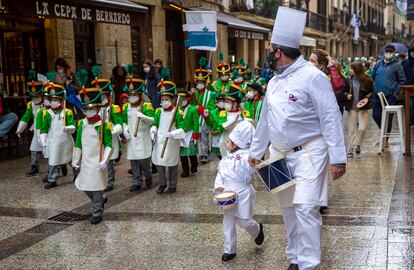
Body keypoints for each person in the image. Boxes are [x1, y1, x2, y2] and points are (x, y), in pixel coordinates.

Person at [248, 7, 346, 270]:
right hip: (279, 154)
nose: (268, 53)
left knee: (305, 209)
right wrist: (256, 151)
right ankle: (294, 258)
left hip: (310, 153)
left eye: (269, 49)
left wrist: (339, 159)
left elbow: (331, 118)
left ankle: (309, 264)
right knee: (288, 210)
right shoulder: (274, 81)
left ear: (277, 52)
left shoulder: (313, 77)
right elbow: (265, 120)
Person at [214, 120, 264, 262]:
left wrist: (253, 161)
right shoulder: (225, 160)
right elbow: (220, 175)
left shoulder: (245, 157)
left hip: (242, 193)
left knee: (244, 221)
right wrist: (219, 187)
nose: (227, 144)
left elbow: (250, 168)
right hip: (227, 195)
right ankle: (229, 250)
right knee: (228, 222)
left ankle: (257, 229)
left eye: (229, 142)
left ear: (236, 144)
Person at [72, 88, 111, 224]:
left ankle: (97, 213)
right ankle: (100, 200)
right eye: (86, 109)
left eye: (92, 109)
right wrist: (75, 159)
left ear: (98, 108)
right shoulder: (82, 123)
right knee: (84, 185)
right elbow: (78, 143)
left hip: (98, 161)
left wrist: (105, 160)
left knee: (96, 186)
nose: (89, 112)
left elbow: (109, 144)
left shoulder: (104, 125)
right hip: (86, 160)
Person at [90, 68, 123, 192]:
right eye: (100, 96)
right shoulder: (94, 109)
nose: (102, 99)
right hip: (97, 137)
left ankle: (110, 181)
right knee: (99, 159)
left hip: (109, 137)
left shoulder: (113, 108)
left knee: (108, 159)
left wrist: (114, 129)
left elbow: (119, 123)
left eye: (104, 96)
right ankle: (101, 179)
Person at [39, 82, 76, 189]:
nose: (54, 102)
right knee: (53, 160)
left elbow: (72, 125)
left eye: (56, 100)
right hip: (53, 140)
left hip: (66, 141)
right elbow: (44, 128)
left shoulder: (67, 112)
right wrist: (43, 139)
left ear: (61, 101)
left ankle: (77, 174)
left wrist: (69, 128)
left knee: (71, 159)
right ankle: (52, 179)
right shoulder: (47, 113)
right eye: (52, 100)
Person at [150, 80, 184, 194]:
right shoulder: (158, 111)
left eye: (167, 99)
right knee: (159, 162)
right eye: (162, 99)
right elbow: (155, 123)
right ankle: (162, 183)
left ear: (172, 100)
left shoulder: (177, 112)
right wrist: (153, 130)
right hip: (160, 140)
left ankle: (172, 185)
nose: (164, 102)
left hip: (171, 141)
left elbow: (182, 128)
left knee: (171, 163)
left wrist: (173, 134)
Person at [122, 77, 155, 191]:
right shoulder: (126, 106)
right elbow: (123, 120)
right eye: (130, 94)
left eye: (134, 94)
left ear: (140, 94)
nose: (132, 97)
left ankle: (148, 176)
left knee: (143, 160)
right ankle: (136, 180)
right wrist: (124, 128)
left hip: (142, 137)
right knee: (134, 160)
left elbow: (153, 120)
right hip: (131, 137)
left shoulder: (146, 106)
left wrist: (144, 116)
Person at [371, 44, 406, 145]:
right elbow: (373, 76)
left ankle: (385, 139)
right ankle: (383, 132)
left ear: (394, 53)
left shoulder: (397, 65)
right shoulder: (378, 63)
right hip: (377, 94)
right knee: (376, 115)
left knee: (388, 117)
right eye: (387, 51)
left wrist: (396, 92)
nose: (388, 53)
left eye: (390, 52)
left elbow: (402, 80)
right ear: (384, 52)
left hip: (390, 95)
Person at [15, 75, 44, 176]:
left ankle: (58, 167)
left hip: (49, 129)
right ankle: (34, 167)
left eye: (37, 96)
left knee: (52, 150)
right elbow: (26, 117)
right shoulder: (30, 104)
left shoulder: (48, 103)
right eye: (33, 96)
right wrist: (20, 129)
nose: (35, 98)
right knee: (33, 149)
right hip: (37, 129)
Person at [345, 62, 374, 158]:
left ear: (357, 70)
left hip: (363, 107)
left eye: (351, 69)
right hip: (352, 108)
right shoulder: (349, 80)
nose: (349, 70)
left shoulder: (367, 80)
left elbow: (371, 92)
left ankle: (357, 144)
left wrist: (366, 98)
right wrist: (346, 95)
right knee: (352, 130)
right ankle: (350, 148)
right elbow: (344, 91)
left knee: (362, 128)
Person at [191, 59, 216, 164]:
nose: (200, 84)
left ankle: (203, 154)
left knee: (204, 136)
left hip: (204, 117)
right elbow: (190, 105)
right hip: (195, 118)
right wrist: (191, 97)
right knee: (196, 135)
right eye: (198, 82)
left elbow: (210, 107)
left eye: (202, 82)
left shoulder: (210, 94)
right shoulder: (193, 92)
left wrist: (200, 109)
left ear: (205, 83)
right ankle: (196, 152)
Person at [309, 49, 347, 114]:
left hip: (323, 112)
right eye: (309, 59)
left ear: (321, 66)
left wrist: (331, 66)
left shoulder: (325, 77)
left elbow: (337, 86)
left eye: (312, 61)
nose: (309, 62)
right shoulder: (305, 72)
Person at [217, 84, 249, 158]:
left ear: (235, 103)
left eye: (228, 102)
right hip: (225, 144)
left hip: (240, 145)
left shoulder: (244, 113)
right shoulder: (223, 113)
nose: (225, 104)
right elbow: (221, 127)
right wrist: (233, 121)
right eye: (225, 102)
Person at [178, 89, 200, 177]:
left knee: (191, 153)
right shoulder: (178, 109)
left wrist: (195, 135)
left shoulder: (193, 109)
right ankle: (185, 171)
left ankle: (194, 167)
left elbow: (196, 123)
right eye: (180, 99)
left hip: (190, 133)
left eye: (183, 99)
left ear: (187, 99)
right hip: (181, 134)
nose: (182, 101)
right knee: (182, 154)